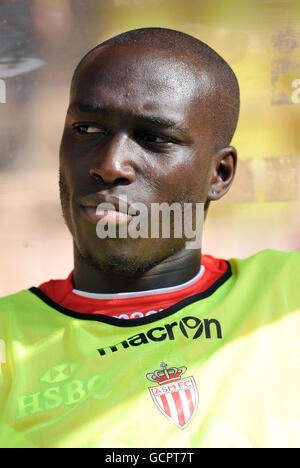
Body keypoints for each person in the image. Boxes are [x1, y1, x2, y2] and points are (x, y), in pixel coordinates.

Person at [0, 27, 299, 449]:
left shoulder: (286, 298)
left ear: (220, 174)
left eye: (154, 138)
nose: (110, 163)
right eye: (87, 129)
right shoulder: (8, 341)